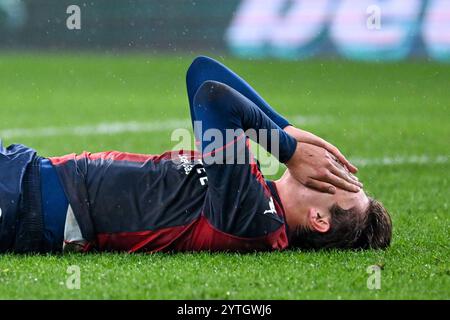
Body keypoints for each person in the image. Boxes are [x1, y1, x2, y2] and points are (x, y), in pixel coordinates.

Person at [0, 56, 391, 254]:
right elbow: (201, 70)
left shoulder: (256, 218)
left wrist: (287, 149)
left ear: (319, 220)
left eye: (342, 182)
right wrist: (284, 130)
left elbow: (213, 97)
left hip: (29, 205)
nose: (334, 165)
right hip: (30, 174)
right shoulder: (255, 191)